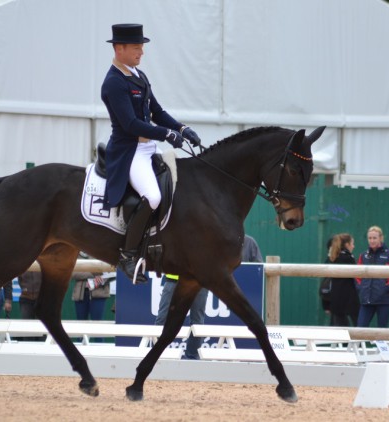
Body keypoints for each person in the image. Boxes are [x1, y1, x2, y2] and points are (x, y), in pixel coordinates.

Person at [101, 23, 202, 283]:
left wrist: (181, 128)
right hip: (129, 151)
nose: (141, 52)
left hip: (148, 147)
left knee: (179, 185)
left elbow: (156, 112)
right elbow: (130, 124)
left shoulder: (139, 76)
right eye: (136, 47)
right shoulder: (114, 82)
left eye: (142, 47)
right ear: (119, 48)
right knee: (154, 196)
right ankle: (128, 255)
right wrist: (167, 135)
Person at [156, 234, 263, 359]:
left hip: (198, 283)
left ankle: (192, 356)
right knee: (162, 319)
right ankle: (159, 355)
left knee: (197, 322)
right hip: (173, 281)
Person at [356, 226, 389, 328]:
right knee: (360, 328)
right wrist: (361, 287)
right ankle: (358, 344)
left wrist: (386, 288)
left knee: (382, 331)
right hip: (366, 299)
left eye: (374, 238)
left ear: (381, 238)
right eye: (370, 238)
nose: (372, 240)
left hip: (383, 299)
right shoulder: (363, 256)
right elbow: (356, 275)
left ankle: (382, 344)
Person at [323, 233, 360, 327]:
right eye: (352, 244)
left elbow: (325, 281)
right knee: (358, 325)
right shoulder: (348, 257)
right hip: (349, 298)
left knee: (338, 327)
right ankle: (355, 342)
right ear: (347, 245)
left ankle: (344, 342)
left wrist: (326, 304)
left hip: (335, 298)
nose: (354, 246)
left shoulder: (331, 258)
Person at [72, 252, 114, 322]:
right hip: (80, 294)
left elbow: (111, 271)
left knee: (97, 323)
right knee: (80, 324)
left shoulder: (101, 251)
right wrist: (94, 274)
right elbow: (72, 273)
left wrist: (101, 278)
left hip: (99, 293)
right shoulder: (76, 253)